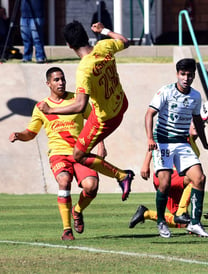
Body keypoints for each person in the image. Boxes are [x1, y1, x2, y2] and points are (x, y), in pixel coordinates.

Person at [37, 20, 135, 202]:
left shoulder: (84, 69)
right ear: (86, 35)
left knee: (79, 155)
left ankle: (122, 176)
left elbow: (80, 105)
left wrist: (51, 110)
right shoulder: (104, 45)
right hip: (121, 103)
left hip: (106, 118)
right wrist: (104, 30)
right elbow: (125, 41)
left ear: (69, 45)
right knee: (83, 151)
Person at [9, 67, 105, 241]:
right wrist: (19, 135)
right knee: (64, 180)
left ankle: (77, 211)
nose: (61, 83)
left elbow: (94, 123)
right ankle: (67, 230)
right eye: (56, 80)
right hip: (59, 154)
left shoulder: (77, 100)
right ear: (48, 83)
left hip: (80, 152)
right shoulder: (41, 107)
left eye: (62, 79)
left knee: (91, 186)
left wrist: (101, 145)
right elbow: (31, 133)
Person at [145, 58, 208, 238]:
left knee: (199, 178)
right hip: (163, 142)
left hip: (182, 143)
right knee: (165, 183)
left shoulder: (195, 96)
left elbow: (197, 122)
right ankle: (161, 220)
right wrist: (149, 138)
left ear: (194, 75)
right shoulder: (166, 91)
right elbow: (149, 114)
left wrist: (205, 143)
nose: (186, 78)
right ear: (177, 74)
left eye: (190, 75)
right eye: (183, 74)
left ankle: (195, 223)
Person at [129, 123, 200, 229]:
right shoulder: (181, 134)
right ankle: (182, 211)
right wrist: (146, 164)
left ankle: (146, 214)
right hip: (167, 176)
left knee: (182, 223)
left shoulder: (193, 143)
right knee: (195, 179)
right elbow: (157, 141)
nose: (195, 125)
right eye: (192, 123)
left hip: (176, 181)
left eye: (198, 124)